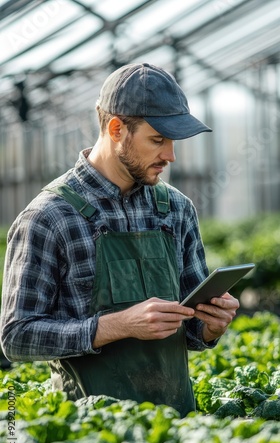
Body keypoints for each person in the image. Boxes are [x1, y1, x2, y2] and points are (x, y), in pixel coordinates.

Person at [0, 63, 239, 417]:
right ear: (116, 129)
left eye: (173, 141)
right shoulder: (50, 217)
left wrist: (210, 326)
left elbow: (190, 329)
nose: (170, 156)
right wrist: (118, 325)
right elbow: (16, 337)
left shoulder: (176, 210)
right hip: (91, 434)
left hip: (179, 426)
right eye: (157, 140)